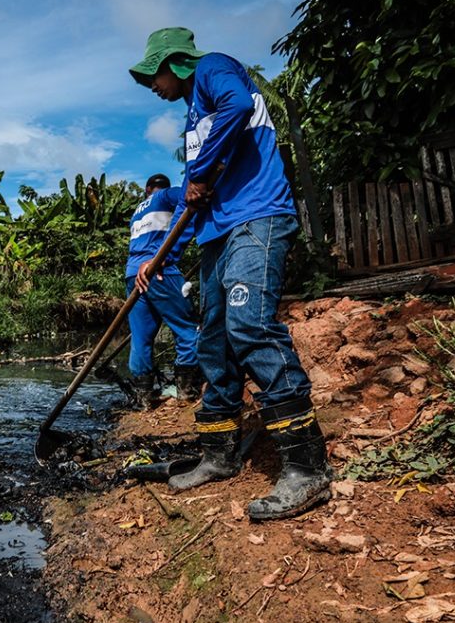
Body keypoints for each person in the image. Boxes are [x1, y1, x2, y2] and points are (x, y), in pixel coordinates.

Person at [130, 27, 331, 520]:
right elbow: (192, 203)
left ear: (174, 63)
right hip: (216, 234)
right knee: (214, 342)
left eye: (153, 75)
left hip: (257, 217)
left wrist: (199, 174)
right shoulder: (193, 117)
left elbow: (238, 105)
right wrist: (158, 259)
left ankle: (307, 467)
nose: (152, 86)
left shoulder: (212, 67)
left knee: (250, 326)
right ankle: (218, 454)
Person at [125, 172, 202, 404]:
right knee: (187, 327)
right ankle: (187, 390)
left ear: (147, 190)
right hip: (157, 268)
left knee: (140, 337)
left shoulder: (137, 211)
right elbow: (190, 196)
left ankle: (144, 397)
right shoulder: (166, 196)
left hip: (133, 274)